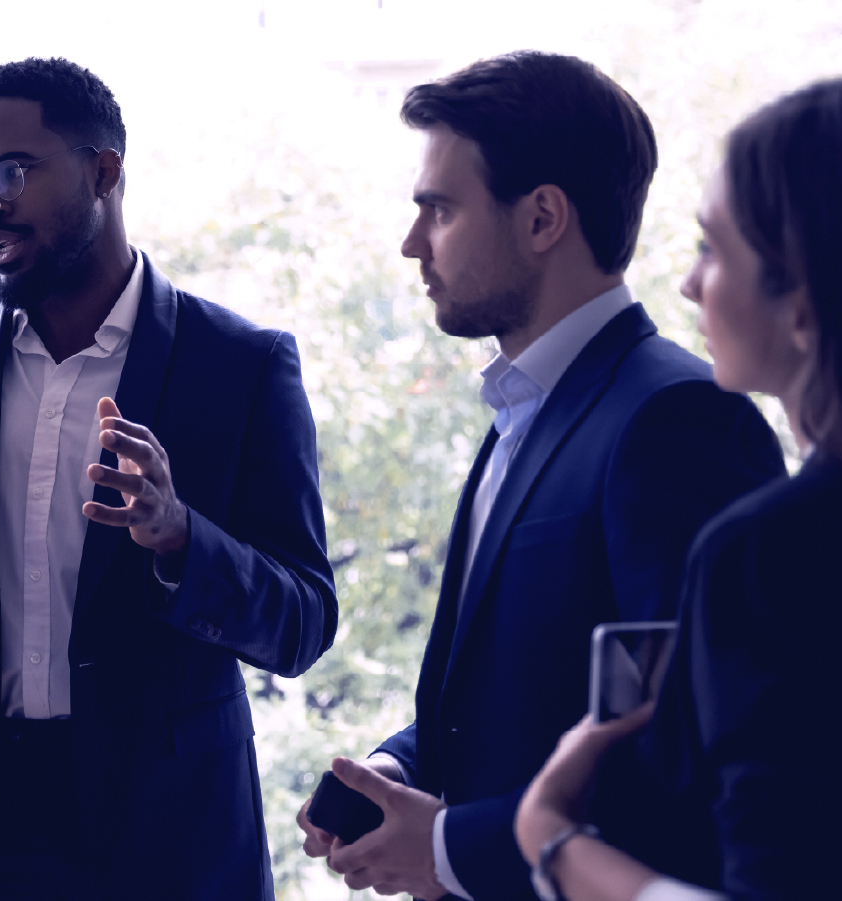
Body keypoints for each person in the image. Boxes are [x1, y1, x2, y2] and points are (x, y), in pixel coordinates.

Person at [0, 57, 338, 900]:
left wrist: (180, 535)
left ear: (103, 171)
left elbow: (301, 624)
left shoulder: (241, 365)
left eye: (11, 171)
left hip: (168, 833)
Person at [295, 51, 786, 901]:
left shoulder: (677, 420)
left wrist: (447, 845)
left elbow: (686, 746)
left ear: (542, 217)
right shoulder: (517, 413)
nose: (411, 242)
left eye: (438, 211)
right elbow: (520, 696)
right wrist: (392, 769)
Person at [514, 76, 842, 901]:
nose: (687, 283)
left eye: (712, 248)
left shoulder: (774, 552)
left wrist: (551, 836)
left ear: (804, 306)